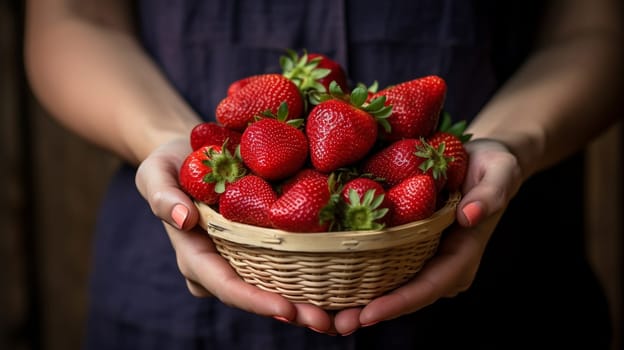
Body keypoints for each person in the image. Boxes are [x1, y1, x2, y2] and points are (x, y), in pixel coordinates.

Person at [23, 0, 623, 349]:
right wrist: (171, 147)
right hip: (174, 305)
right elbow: (73, 17)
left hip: (505, 296)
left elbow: (595, 27)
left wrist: (508, 142)